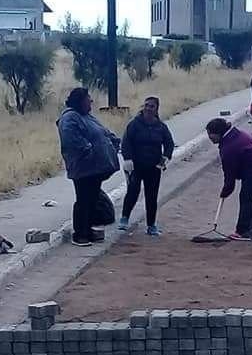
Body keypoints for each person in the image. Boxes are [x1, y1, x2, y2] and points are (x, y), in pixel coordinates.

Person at [57, 87, 121, 247]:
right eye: (88, 99)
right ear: (80, 101)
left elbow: (101, 131)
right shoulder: (70, 117)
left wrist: (112, 140)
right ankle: (80, 234)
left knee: (92, 200)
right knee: (84, 200)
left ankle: (88, 230)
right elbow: (70, 139)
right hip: (83, 167)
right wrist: (89, 150)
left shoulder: (85, 116)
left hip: (95, 167)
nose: (91, 102)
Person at [206, 118, 252, 241]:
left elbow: (229, 173)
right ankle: (249, 230)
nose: (209, 137)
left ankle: (244, 231)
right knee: (248, 197)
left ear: (219, 132)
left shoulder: (229, 147)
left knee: (246, 197)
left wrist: (226, 190)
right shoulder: (231, 137)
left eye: (211, 134)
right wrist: (227, 188)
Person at [119, 96, 175, 236]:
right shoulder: (134, 124)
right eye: (146, 105)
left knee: (151, 196)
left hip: (154, 166)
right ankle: (124, 218)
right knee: (133, 191)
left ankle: (151, 225)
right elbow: (126, 142)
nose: (148, 108)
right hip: (136, 165)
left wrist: (166, 158)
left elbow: (169, 144)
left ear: (156, 109)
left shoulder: (161, 127)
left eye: (152, 106)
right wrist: (127, 159)